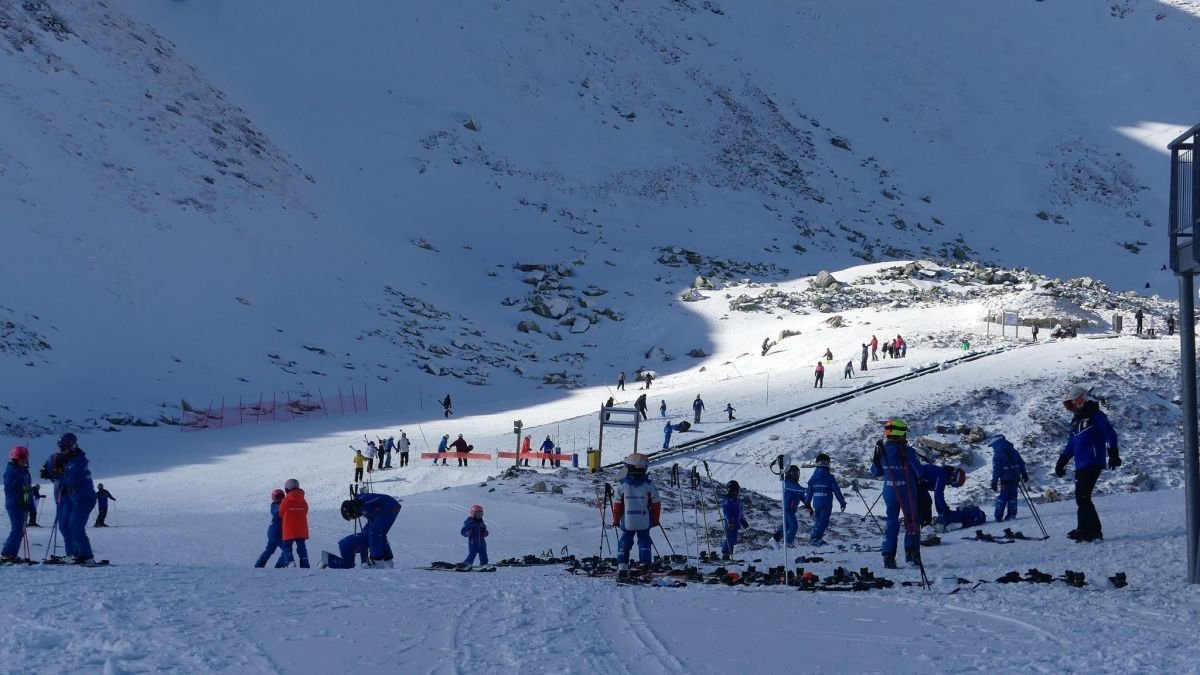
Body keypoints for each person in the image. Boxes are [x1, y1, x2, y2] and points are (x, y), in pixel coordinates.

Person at [1055, 385, 1120, 542]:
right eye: (1069, 405)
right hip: (1081, 463)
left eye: (1073, 403)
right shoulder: (1077, 421)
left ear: (1080, 399)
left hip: (1093, 460)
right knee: (1081, 497)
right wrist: (1061, 462)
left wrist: (1113, 454)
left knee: (1082, 496)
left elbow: (1109, 433)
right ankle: (1084, 529)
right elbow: (1071, 444)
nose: (1072, 407)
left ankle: (1092, 531)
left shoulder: (1095, 414)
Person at [870, 419, 922, 569]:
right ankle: (912, 554)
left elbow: (876, 472)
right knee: (911, 521)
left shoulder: (881, 450)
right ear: (901, 432)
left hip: (889, 491)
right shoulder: (908, 451)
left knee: (891, 522)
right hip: (906, 490)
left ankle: (888, 556)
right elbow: (919, 472)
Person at [321, 492, 402, 569]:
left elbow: (376, 498)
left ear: (350, 512)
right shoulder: (361, 508)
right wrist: (364, 562)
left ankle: (378, 562)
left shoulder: (362, 504)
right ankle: (387, 561)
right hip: (383, 510)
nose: (354, 518)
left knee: (374, 533)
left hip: (390, 506)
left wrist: (362, 501)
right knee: (377, 534)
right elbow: (371, 518)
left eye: (352, 517)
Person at [611, 453, 661, 573]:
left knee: (625, 540)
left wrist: (616, 520)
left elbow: (617, 505)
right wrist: (655, 520)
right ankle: (645, 563)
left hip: (628, 520)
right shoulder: (649, 485)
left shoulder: (623, 486)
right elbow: (656, 504)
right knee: (644, 540)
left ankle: (622, 563)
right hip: (644, 520)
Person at [58, 436, 98, 564]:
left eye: (64, 448)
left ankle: (86, 556)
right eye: (61, 448)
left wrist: (65, 485)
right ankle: (77, 554)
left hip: (84, 498)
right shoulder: (71, 461)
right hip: (78, 499)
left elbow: (73, 478)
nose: (62, 451)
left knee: (76, 527)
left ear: (71, 446)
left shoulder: (77, 462)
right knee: (70, 526)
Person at [803, 454, 846, 546]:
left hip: (816, 503)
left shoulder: (813, 478)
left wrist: (807, 503)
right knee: (824, 521)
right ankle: (815, 538)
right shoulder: (830, 478)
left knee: (818, 520)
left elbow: (809, 491)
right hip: (826, 503)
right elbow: (837, 491)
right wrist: (842, 502)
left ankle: (815, 537)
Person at [41, 436, 72, 559]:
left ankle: (73, 553)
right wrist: (49, 474)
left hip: (68, 500)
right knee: (63, 527)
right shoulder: (56, 459)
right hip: (59, 500)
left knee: (67, 527)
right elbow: (56, 478)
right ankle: (71, 553)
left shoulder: (69, 463)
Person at [2, 446, 32, 562]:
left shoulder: (24, 472)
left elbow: (27, 489)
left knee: (21, 530)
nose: (24, 461)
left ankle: (11, 553)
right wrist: (19, 501)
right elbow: (11, 489)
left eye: (25, 458)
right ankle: (8, 554)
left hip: (23, 505)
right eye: (21, 458)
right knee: (17, 529)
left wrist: (30, 504)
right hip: (15, 505)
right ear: (15, 459)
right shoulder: (12, 472)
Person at [990, 435, 1028, 522]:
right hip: (1015, 478)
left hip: (1005, 480)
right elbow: (1021, 463)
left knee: (1002, 498)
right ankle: (1012, 515)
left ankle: (998, 517)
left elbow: (997, 470)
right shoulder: (1014, 451)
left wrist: (994, 481)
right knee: (1013, 497)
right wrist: (1024, 473)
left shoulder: (997, 455)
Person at [254, 489, 290, 568]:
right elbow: (280, 511)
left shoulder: (281, 505)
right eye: (277, 497)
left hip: (274, 531)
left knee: (270, 549)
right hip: (276, 531)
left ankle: (259, 565)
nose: (280, 498)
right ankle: (279, 566)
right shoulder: (275, 506)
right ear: (274, 498)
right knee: (286, 549)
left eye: (281, 496)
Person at [279, 478, 310, 568]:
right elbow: (305, 510)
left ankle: (290, 561)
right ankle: (305, 563)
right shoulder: (303, 500)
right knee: (301, 546)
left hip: (289, 528)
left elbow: (281, 513)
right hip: (301, 528)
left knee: (286, 546)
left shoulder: (286, 500)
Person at [773, 465, 807, 547]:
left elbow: (802, 496)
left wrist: (808, 505)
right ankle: (788, 543)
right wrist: (811, 489)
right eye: (794, 473)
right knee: (794, 526)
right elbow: (799, 490)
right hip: (787, 509)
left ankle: (774, 540)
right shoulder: (788, 484)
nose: (796, 475)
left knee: (786, 526)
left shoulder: (795, 485)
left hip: (791, 510)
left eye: (797, 473)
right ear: (789, 474)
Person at [720, 481, 750, 560]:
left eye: (736, 490)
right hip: (730, 523)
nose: (735, 492)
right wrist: (730, 522)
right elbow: (727, 512)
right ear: (730, 490)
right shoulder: (728, 500)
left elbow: (740, 513)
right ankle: (725, 554)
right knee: (729, 538)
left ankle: (728, 554)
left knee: (732, 539)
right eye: (734, 490)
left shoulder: (737, 501)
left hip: (736, 523)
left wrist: (743, 521)